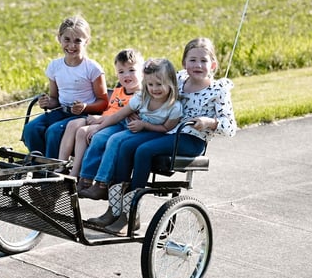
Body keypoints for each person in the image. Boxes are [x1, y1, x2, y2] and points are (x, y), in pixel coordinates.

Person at [95, 37, 237, 236]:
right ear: (184, 63)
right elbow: (152, 83)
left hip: (190, 139)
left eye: (203, 61)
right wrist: (141, 107)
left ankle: (130, 214)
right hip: (164, 130)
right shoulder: (178, 79)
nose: (197, 65)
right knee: (125, 144)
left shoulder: (217, 90)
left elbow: (230, 127)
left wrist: (209, 122)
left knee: (144, 150)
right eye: (192, 60)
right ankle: (114, 210)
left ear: (213, 64)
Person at [76, 57, 182, 201]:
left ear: (171, 82)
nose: (154, 89)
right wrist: (99, 128)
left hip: (153, 133)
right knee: (99, 137)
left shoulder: (174, 107)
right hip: (134, 128)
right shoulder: (142, 97)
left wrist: (144, 125)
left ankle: (102, 184)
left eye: (159, 84)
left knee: (115, 140)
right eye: (150, 84)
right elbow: (119, 115)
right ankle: (85, 180)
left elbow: (166, 128)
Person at [22, 15, 108, 159]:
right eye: (67, 39)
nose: (71, 46)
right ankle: (38, 165)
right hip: (61, 112)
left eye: (77, 41)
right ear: (59, 38)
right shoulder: (55, 66)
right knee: (31, 129)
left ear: (86, 41)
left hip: (82, 116)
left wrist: (85, 107)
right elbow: (55, 99)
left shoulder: (92, 68)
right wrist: (48, 103)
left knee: (54, 131)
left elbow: (103, 102)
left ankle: (53, 170)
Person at [58, 48, 144, 175]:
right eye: (121, 71)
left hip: (114, 125)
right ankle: (60, 166)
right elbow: (110, 110)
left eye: (131, 70)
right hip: (103, 119)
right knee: (73, 124)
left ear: (142, 72)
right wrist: (98, 118)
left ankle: (75, 172)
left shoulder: (140, 96)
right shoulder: (118, 90)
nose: (126, 75)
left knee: (82, 131)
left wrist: (100, 120)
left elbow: (120, 116)